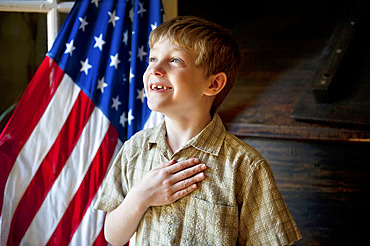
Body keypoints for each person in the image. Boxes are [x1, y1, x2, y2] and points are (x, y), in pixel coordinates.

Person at [94, 16, 302, 245]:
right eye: (153, 59)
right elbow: (113, 236)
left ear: (213, 84)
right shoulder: (134, 148)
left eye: (174, 60)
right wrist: (142, 196)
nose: (155, 68)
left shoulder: (246, 166)